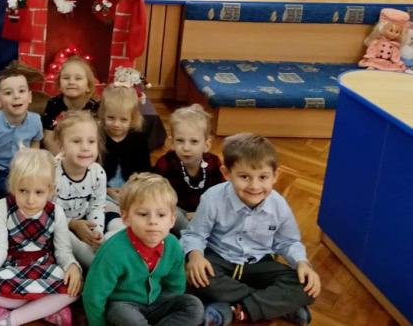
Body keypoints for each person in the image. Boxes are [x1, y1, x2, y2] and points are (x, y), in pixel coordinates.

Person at [181, 133, 321, 326]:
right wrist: (196, 256)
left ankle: (233, 310)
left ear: (275, 176)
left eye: (263, 177)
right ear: (227, 173)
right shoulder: (213, 198)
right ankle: (277, 305)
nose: (254, 186)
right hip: (219, 260)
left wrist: (301, 263)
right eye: (244, 177)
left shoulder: (279, 205)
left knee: (306, 285)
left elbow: (288, 242)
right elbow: (195, 234)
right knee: (197, 277)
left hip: (259, 264)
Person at [0, 148, 82, 326]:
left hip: (45, 267)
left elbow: (63, 250)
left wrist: (72, 266)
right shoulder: (3, 207)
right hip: (12, 266)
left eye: (38, 192)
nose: (30, 200)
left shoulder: (56, 212)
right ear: (13, 186)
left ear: (50, 190)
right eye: (23, 190)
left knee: (76, 287)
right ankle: (44, 308)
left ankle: (11, 319)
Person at [82, 173, 204, 326]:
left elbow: (175, 285)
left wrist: (167, 305)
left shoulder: (172, 245)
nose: (153, 221)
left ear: (172, 220)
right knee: (125, 315)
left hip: (157, 303)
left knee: (193, 306)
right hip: (124, 305)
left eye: (161, 215)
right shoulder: (113, 251)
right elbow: (93, 296)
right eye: (143, 214)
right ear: (126, 218)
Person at [153, 104, 224, 234]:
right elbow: (156, 195)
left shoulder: (213, 163)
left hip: (206, 212)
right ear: (171, 143)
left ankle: (200, 235)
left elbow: (221, 194)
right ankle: (194, 236)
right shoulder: (166, 163)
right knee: (170, 213)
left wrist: (201, 213)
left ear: (206, 144)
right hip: (178, 214)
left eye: (194, 141)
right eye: (180, 141)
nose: (186, 148)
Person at [53, 111, 107, 269]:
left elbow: (97, 206)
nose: (85, 147)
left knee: (116, 231)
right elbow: (46, 212)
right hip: (60, 225)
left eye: (91, 141)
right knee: (69, 241)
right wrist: (72, 224)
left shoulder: (98, 172)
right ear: (61, 146)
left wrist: (96, 232)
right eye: (76, 141)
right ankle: (94, 266)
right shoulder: (52, 175)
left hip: (85, 218)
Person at [0, 66, 43, 198]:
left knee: (40, 178)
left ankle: (14, 193)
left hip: (23, 169)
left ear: (29, 97)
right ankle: (8, 194)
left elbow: (35, 141)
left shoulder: (35, 120)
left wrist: (33, 159)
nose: (16, 96)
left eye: (21, 91)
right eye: (8, 93)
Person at [99, 80, 150, 233]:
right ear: (103, 114)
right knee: (107, 213)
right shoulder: (98, 137)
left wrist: (134, 183)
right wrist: (107, 190)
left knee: (144, 209)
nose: (116, 124)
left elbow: (145, 170)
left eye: (123, 120)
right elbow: (90, 170)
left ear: (132, 118)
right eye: (111, 118)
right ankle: (116, 229)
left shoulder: (139, 138)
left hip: (133, 191)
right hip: (104, 193)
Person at [41, 56, 99, 154]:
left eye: (78, 78)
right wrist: (62, 158)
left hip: (85, 152)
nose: (71, 82)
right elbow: (48, 138)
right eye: (66, 78)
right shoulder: (53, 104)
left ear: (88, 86)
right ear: (59, 84)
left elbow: (97, 139)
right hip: (58, 153)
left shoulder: (94, 107)